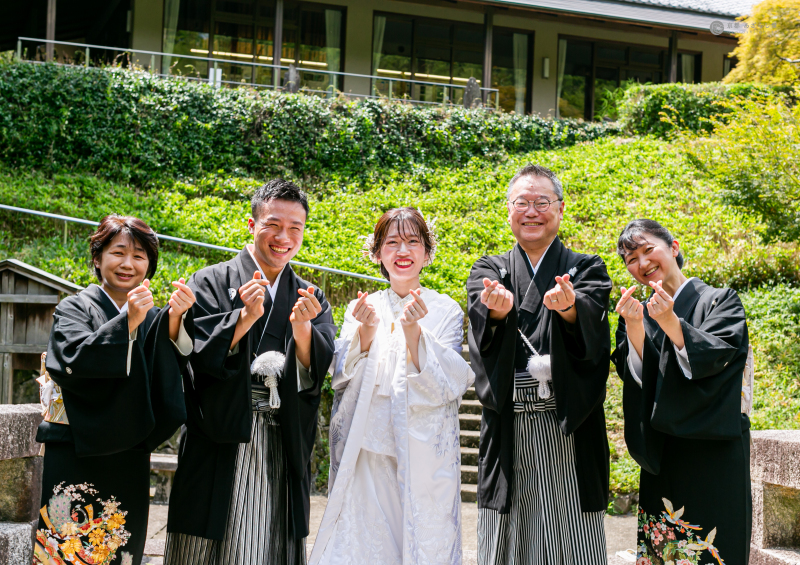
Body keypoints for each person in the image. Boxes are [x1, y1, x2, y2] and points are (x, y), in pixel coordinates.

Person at [164, 179, 337, 565]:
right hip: (222, 435)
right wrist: (242, 320)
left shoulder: (309, 295)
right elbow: (193, 357)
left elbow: (317, 372)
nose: (284, 237)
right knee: (209, 545)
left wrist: (302, 329)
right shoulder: (210, 280)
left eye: (296, 228)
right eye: (273, 224)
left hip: (281, 437)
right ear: (251, 224)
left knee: (269, 540)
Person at [310, 207, 474, 565]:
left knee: (419, 540)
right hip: (367, 446)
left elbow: (449, 383)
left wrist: (414, 331)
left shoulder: (445, 309)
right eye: (393, 243)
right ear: (378, 253)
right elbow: (341, 376)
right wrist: (366, 332)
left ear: (427, 253)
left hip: (421, 451)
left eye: (413, 242)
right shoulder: (361, 305)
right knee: (363, 541)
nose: (403, 251)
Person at [466, 164, 612, 565]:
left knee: (571, 541)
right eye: (522, 202)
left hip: (567, 424)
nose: (531, 211)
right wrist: (495, 314)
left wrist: (570, 310)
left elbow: (595, 338)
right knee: (507, 539)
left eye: (542, 202)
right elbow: (482, 332)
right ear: (509, 210)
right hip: (510, 423)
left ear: (560, 209)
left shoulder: (586, 268)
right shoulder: (489, 270)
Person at [34, 215, 195, 565]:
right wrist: (128, 323)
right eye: (118, 252)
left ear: (149, 264)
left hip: (128, 453)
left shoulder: (153, 316)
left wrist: (175, 321)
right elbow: (72, 362)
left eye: (139, 256)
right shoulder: (74, 307)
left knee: (119, 551)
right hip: (74, 451)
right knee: (64, 550)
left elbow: (166, 373)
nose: (128, 264)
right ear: (97, 258)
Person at [611, 219, 752, 564]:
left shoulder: (720, 301)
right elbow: (638, 382)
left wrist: (671, 322)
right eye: (630, 259)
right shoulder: (636, 314)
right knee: (664, 555)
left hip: (714, 455)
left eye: (648, 250)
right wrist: (634, 326)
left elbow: (718, 358)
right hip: (662, 455)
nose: (641, 264)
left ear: (673, 248)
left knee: (714, 553)